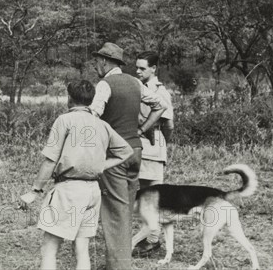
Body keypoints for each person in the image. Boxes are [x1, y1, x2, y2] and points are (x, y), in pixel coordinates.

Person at [21, 80, 133, 270]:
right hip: (92, 191)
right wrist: (101, 165)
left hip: (69, 190)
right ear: (90, 100)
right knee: (82, 248)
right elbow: (126, 151)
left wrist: (35, 191)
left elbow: (50, 160)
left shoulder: (64, 120)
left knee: (49, 248)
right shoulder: (102, 124)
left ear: (70, 98)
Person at [88, 42, 168, 270]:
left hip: (115, 156)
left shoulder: (105, 84)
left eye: (97, 61)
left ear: (104, 61)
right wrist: (141, 131)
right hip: (136, 152)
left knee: (114, 213)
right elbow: (160, 106)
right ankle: (118, 262)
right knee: (124, 211)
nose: (96, 66)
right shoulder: (135, 82)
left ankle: (119, 266)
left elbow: (94, 115)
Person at [133, 50, 175, 256]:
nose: (138, 71)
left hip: (153, 147)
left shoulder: (160, 92)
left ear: (153, 69)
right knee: (141, 196)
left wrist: (160, 143)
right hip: (136, 147)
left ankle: (153, 240)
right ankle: (148, 236)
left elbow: (168, 124)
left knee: (154, 196)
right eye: (137, 67)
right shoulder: (136, 87)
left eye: (142, 68)